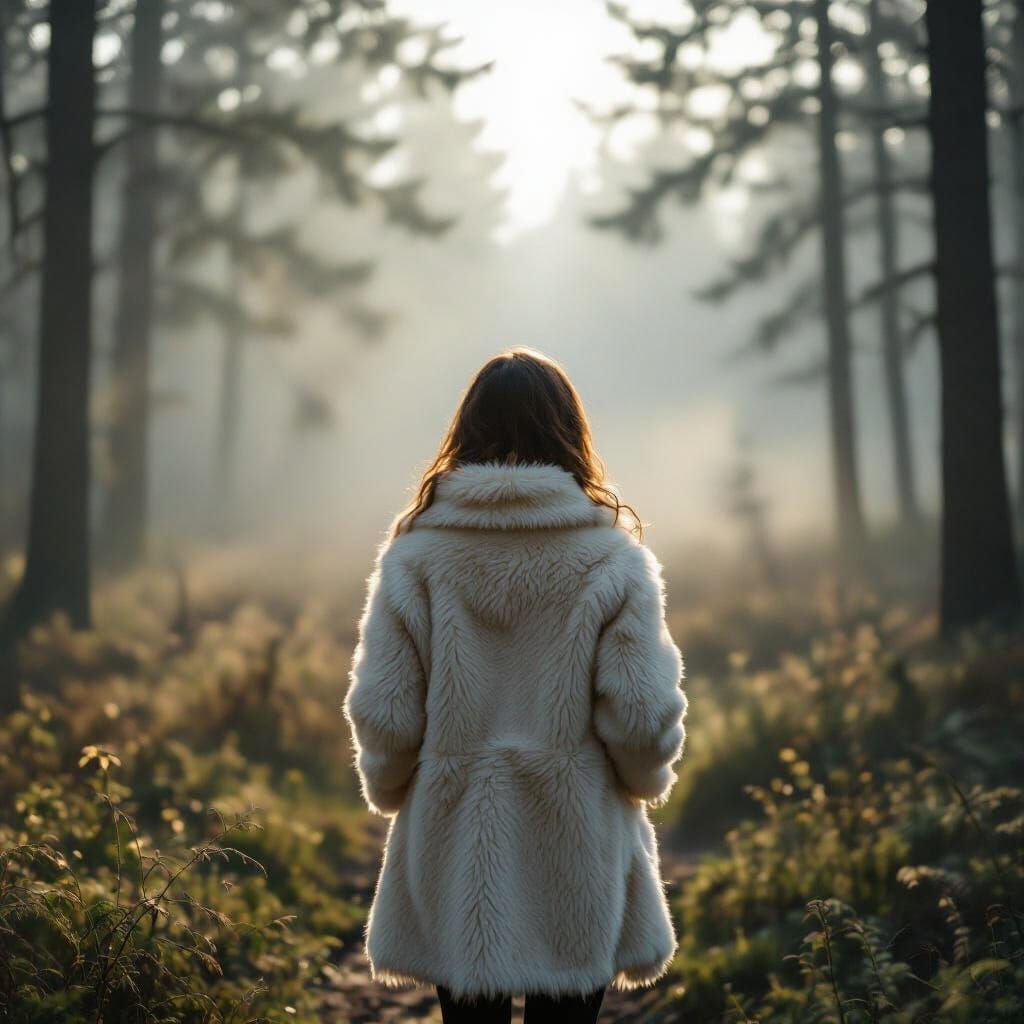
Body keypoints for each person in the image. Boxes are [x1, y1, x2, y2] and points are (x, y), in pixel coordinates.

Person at [343, 348, 688, 1023]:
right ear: (569, 434)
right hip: (577, 845)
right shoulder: (612, 560)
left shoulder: (415, 558)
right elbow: (644, 715)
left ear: (465, 434)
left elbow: (384, 714)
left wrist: (391, 787)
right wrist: (643, 781)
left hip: (455, 845)